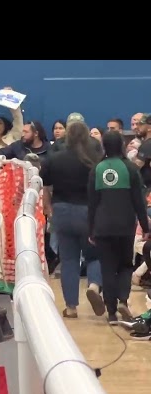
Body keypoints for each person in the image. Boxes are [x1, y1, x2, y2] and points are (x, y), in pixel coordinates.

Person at [40, 121, 104, 318]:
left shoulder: (54, 158)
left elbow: (45, 187)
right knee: (95, 255)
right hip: (88, 212)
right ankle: (94, 285)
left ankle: (71, 307)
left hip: (61, 211)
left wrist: (48, 208)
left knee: (68, 260)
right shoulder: (95, 159)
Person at [88, 131, 149, 324]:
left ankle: (112, 312)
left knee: (107, 266)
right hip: (125, 225)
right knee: (125, 265)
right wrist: (145, 226)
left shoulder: (96, 169)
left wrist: (91, 228)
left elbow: (91, 203)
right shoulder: (130, 168)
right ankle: (123, 300)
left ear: (104, 146)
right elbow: (139, 201)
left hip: (102, 225)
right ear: (122, 146)